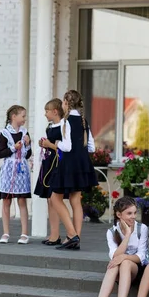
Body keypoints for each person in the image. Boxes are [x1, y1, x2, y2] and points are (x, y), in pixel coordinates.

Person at [48, 90, 98, 250]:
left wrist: (55, 144)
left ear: (66, 103)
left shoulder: (65, 121)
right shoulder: (84, 121)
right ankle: (75, 238)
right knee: (76, 201)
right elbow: (91, 147)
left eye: (63, 101)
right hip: (83, 164)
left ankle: (71, 234)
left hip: (69, 165)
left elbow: (67, 147)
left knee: (55, 198)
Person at [92, 197, 149, 297]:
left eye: (135, 213)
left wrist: (124, 257)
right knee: (114, 264)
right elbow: (114, 256)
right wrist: (127, 235)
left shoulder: (142, 228)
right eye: (129, 213)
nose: (133, 216)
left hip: (136, 270)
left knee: (125, 262)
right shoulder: (112, 232)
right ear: (119, 214)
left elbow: (141, 257)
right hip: (119, 271)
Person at [0, 105, 32, 245]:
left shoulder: (25, 132)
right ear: (14, 117)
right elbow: (0, 153)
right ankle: (6, 232)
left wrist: (27, 145)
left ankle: (24, 233)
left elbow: (28, 154)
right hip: (8, 170)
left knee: (22, 201)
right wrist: (13, 148)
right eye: (23, 116)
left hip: (21, 169)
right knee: (6, 201)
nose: (25, 119)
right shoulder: (4, 133)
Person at [35, 99, 65, 246]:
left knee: (55, 199)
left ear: (55, 111)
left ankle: (58, 234)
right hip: (49, 162)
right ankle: (54, 234)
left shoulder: (64, 127)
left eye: (47, 111)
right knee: (49, 199)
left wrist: (50, 145)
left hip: (58, 163)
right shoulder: (50, 126)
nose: (45, 114)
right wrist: (44, 145)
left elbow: (65, 148)